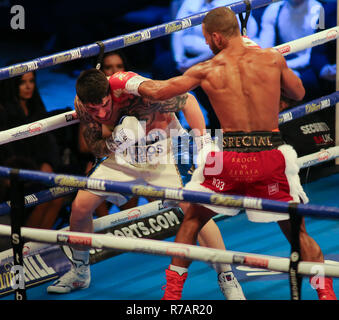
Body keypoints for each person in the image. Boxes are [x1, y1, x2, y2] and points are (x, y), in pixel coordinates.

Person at [114, 7, 337, 300]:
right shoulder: (271, 58)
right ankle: (326, 294)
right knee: (296, 229)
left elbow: (158, 92)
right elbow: (298, 93)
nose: (206, 44)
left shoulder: (206, 69)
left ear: (217, 37)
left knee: (192, 221)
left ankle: (171, 296)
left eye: (207, 39)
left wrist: (124, 79)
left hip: (228, 158)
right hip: (269, 155)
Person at [47, 68, 245, 300]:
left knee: (194, 209)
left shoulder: (138, 93)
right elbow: (96, 147)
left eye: (104, 105)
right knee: (80, 207)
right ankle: (80, 271)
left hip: (166, 151)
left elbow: (188, 100)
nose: (100, 114)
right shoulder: (82, 104)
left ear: (111, 93)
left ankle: (227, 278)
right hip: (126, 157)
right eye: (94, 109)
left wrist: (203, 143)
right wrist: (116, 141)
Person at [172, 0, 259, 133]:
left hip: (218, 56)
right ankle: (175, 127)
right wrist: (179, 59)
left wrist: (195, 61)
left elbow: (237, 41)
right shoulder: (190, 2)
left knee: (213, 81)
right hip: (190, 57)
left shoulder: (232, 3)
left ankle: (218, 127)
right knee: (163, 66)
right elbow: (177, 31)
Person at [0, 70, 65, 230]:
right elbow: (5, 150)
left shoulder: (36, 106)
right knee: (44, 199)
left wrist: (48, 162)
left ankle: (40, 244)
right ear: (13, 85)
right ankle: (27, 246)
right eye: (22, 82)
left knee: (57, 196)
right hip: (14, 174)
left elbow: (48, 140)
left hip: (37, 170)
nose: (28, 87)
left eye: (31, 81)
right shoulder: (3, 111)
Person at [257, 0, 324, 102]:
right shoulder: (274, 9)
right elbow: (264, 51)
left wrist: (283, 68)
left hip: (308, 65)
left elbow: (314, 54)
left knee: (309, 82)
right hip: (280, 61)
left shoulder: (319, 11)